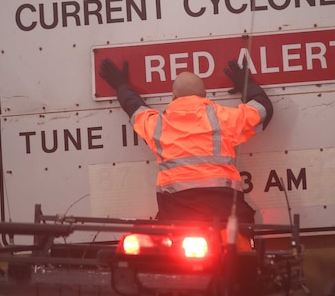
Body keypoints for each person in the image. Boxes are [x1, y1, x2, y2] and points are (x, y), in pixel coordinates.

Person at [98, 58, 273, 230]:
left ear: (173, 97)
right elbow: (263, 108)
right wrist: (246, 84)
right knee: (242, 251)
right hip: (225, 210)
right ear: (204, 95)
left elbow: (134, 108)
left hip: (176, 215)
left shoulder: (158, 125)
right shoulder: (224, 118)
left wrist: (121, 85)